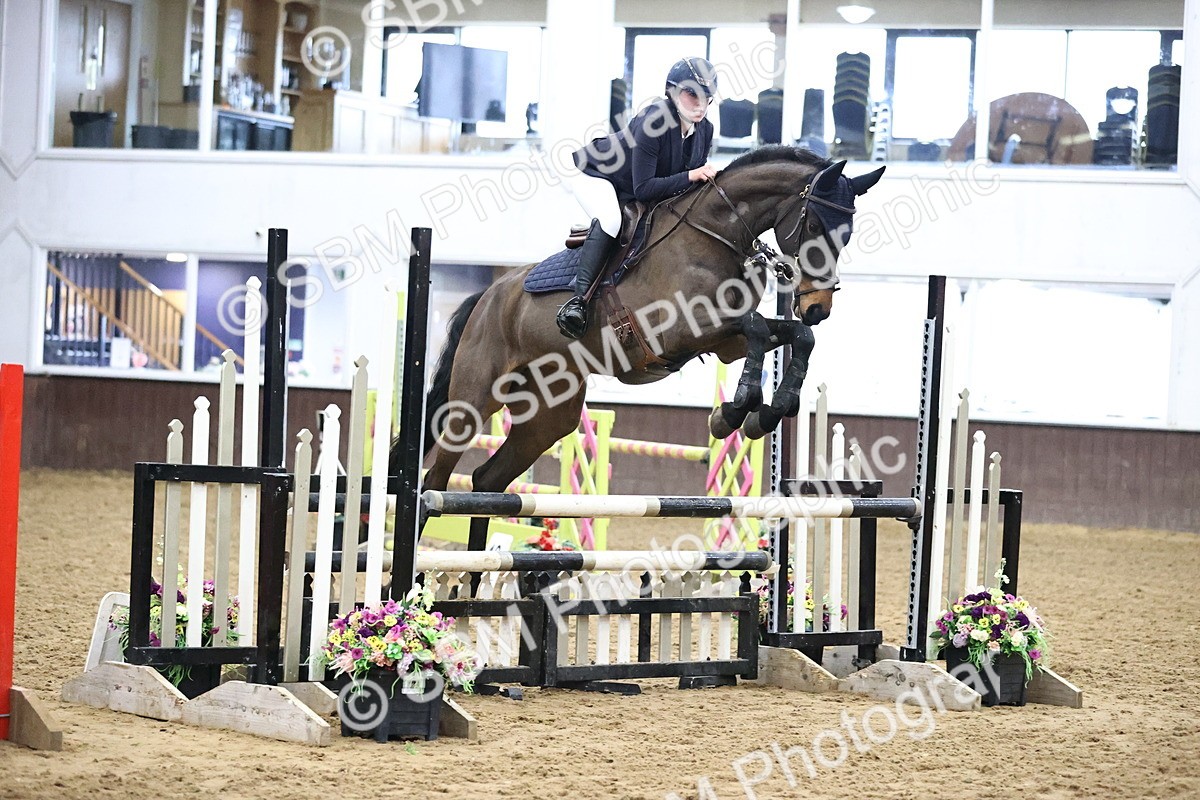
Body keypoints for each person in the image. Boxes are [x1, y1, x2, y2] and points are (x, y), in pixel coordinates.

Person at [556, 57, 719, 339]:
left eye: (707, 97)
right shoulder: (654, 120)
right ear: (672, 91)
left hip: (633, 183)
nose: (701, 105)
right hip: (596, 174)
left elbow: (683, 189)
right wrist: (693, 176)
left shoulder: (705, 130)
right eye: (692, 94)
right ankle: (577, 303)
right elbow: (644, 188)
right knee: (611, 220)